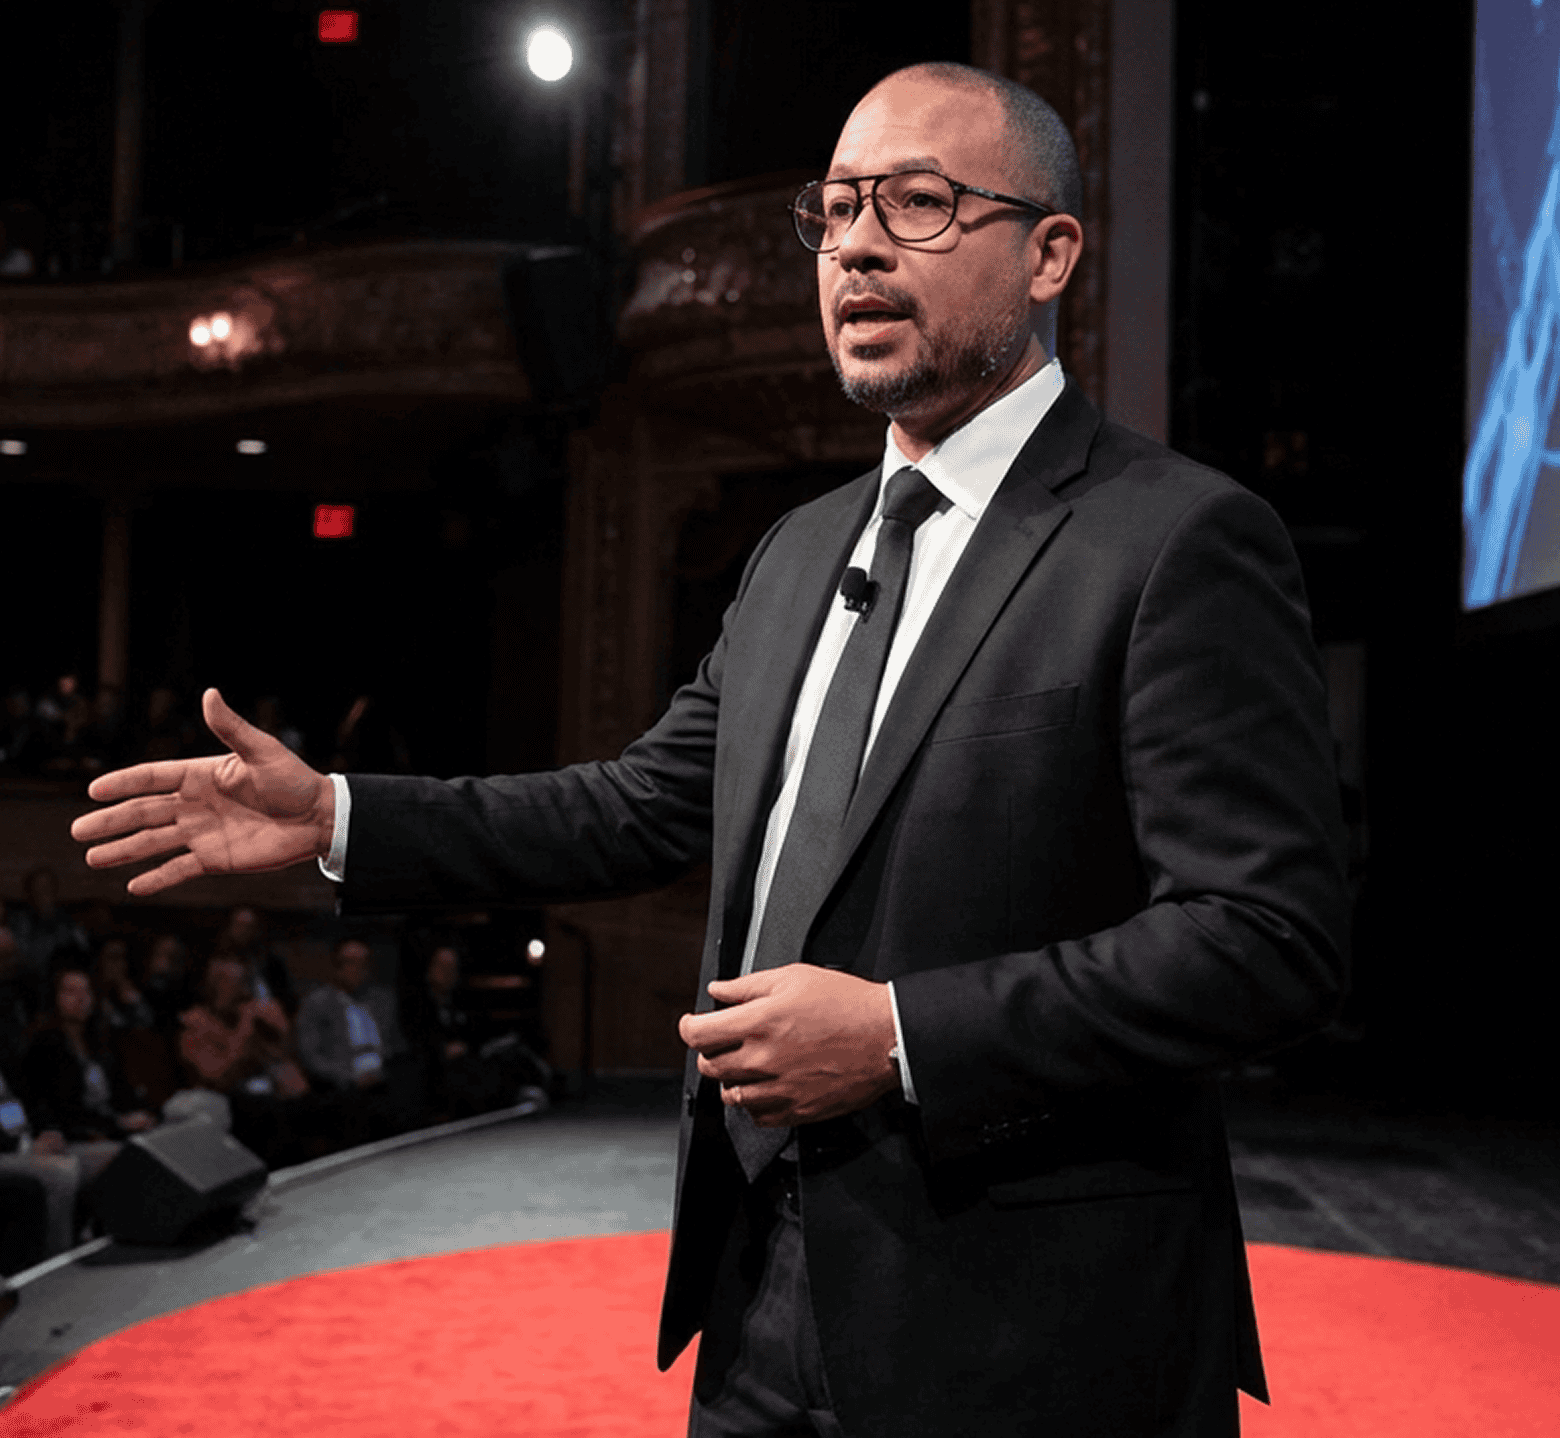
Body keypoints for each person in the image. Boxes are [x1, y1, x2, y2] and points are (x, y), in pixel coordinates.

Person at [70, 62, 1348, 1438]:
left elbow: (1265, 936)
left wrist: (903, 1035)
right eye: (838, 207)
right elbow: (631, 807)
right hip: (758, 1297)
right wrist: (338, 817)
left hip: (1037, 1336)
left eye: (918, 202)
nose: (855, 243)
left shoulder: (1174, 540)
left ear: (1050, 253)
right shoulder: (800, 552)